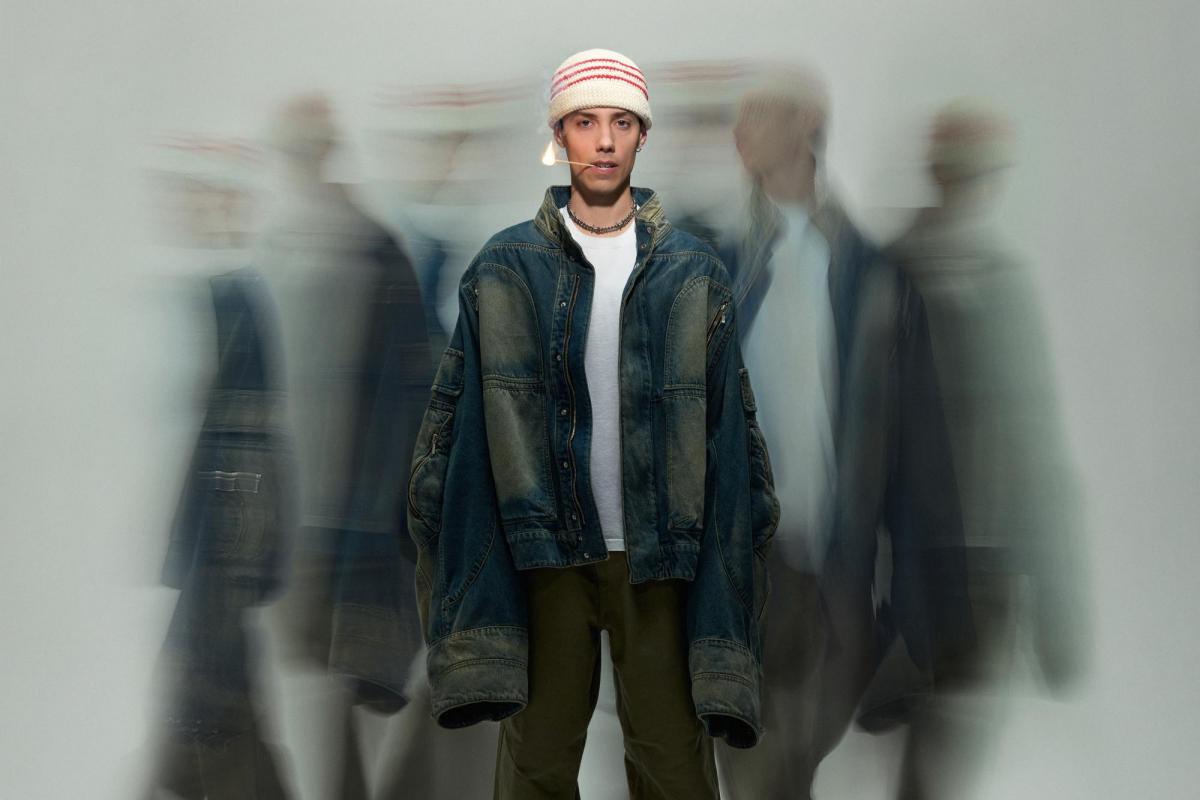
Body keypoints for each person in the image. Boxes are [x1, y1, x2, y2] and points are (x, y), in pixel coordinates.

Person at [406, 48, 779, 799]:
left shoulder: (693, 272)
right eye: (584, 121)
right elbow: (453, 432)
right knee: (536, 764)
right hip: (544, 556)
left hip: (660, 557)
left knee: (673, 764)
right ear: (560, 135)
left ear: (643, 135)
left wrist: (740, 553)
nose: (604, 140)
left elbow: (733, 436)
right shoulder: (505, 268)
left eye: (621, 122)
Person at [718, 68, 969, 799]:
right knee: (760, 773)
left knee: (788, 770)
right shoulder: (714, 272)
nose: (742, 130)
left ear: (808, 123)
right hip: (741, 578)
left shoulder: (877, 281)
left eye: (762, 111)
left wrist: (923, 610)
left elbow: (919, 455)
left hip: (840, 579)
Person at [860, 100, 1089, 798]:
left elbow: (1032, 452)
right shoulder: (891, 277)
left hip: (968, 567)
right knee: (930, 759)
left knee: (933, 760)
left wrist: (1057, 606)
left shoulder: (947, 278)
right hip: (920, 566)